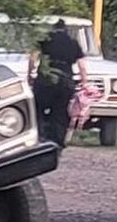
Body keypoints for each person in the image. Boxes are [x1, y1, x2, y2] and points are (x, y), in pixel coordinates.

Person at [30, 19, 86, 147]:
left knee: (38, 108)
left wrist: (30, 75)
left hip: (45, 79)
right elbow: (82, 65)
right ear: (65, 29)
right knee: (60, 111)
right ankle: (58, 139)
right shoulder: (72, 43)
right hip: (65, 80)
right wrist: (84, 82)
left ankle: (41, 136)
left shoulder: (45, 40)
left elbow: (33, 59)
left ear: (53, 28)